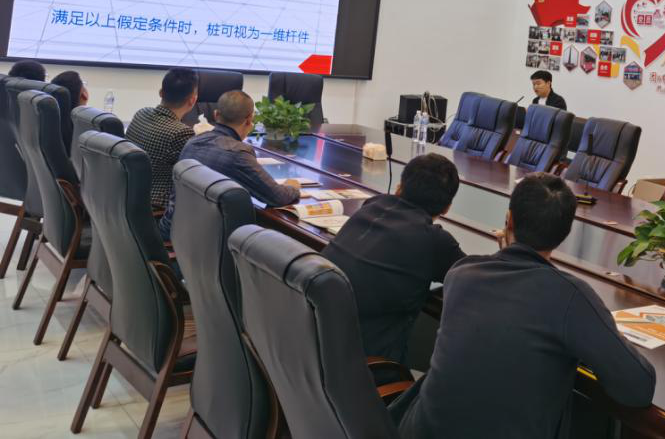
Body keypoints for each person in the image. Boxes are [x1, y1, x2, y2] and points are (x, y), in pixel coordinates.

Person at [398, 174, 655, 439]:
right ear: (564, 234)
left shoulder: (462, 273)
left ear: (508, 219)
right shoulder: (570, 296)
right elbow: (638, 388)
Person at [323, 153, 465, 362]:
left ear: (399, 188)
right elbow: (476, 280)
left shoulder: (371, 206)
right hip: (367, 368)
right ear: (447, 208)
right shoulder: (434, 241)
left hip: (316, 348)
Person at [159, 90, 299, 240]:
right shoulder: (238, 153)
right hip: (203, 241)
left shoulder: (193, 141)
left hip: (172, 229)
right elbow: (276, 197)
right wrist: (293, 187)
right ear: (249, 120)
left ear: (216, 115)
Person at [127, 68, 198, 208]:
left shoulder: (141, 113)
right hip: (158, 206)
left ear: (161, 92)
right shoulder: (181, 133)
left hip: (130, 194)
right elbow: (195, 174)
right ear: (192, 100)